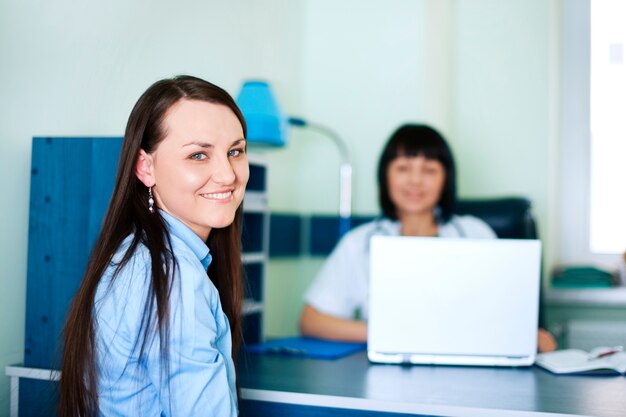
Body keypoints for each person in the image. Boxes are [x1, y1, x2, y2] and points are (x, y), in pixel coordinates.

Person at [58, 75, 249, 416]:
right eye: (198, 155)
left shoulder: (136, 253)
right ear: (146, 167)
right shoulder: (173, 276)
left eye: (235, 151)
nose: (228, 174)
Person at [299, 124, 557, 353]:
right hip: (389, 367)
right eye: (403, 168)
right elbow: (311, 321)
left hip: (469, 364)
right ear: (384, 177)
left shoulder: (475, 233)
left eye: (429, 170)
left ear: (446, 179)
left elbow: (509, 314)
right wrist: (390, 336)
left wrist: (527, 337)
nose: (415, 180)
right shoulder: (360, 243)